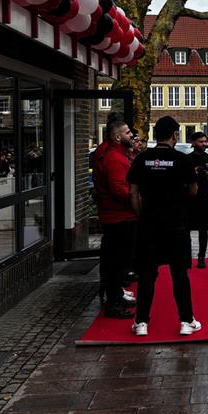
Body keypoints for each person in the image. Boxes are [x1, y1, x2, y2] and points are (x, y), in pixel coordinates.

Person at [127, 116, 201, 337]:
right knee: (179, 275)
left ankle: (141, 322)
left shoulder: (141, 159)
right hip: (176, 225)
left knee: (147, 275)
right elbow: (193, 190)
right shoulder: (182, 160)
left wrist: (142, 215)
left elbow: (132, 193)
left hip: (149, 225)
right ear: (174, 135)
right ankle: (186, 321)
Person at [92, 120, 138, 319]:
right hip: (120, 217)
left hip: (117, 215)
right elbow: (119, 189)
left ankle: (116, 296)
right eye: (128, 132)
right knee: (117, 263)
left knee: (116, 261)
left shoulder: (115, 154)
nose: (132, 136)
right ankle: (113, 303)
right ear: (118, 137)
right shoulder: (115, 158)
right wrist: (137, 199)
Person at [187, 132, 208, 269]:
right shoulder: (187, 159)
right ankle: (187, 256)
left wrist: (203, 171)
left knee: (203, 229)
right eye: (201, 141)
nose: (204, 144)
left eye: (205, 141)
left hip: (204, 197)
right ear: (193, 143)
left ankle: (201, 257)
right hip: (189, 198)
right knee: (186, 229)